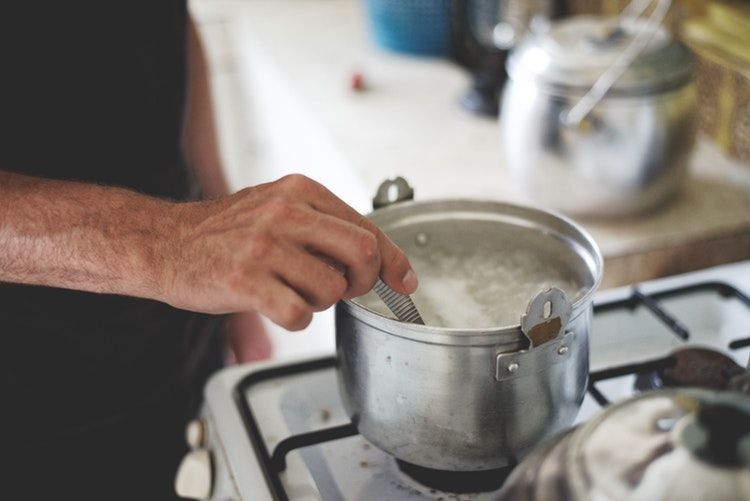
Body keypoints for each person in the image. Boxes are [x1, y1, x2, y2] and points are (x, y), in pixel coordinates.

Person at [0, 2, 417, 499]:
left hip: (171, 348)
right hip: (29, 405)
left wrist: (220, 215)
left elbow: (159, 24)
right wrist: (170, 243)